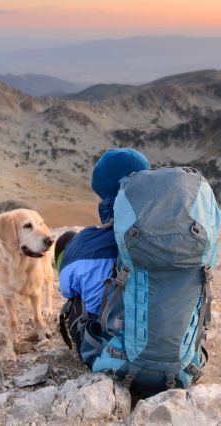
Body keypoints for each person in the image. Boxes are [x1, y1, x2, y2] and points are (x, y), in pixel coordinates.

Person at [55, 148, 151, 365]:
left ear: (104, 198)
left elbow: (67, 290)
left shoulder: (85, 245)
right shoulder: (177, 238)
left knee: (76, 289)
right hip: (176, 358)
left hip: (111, 359)